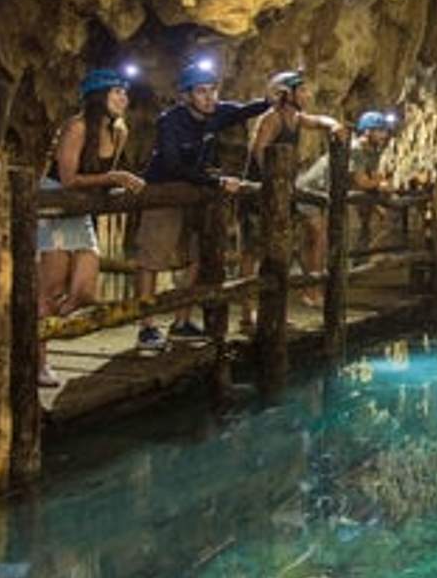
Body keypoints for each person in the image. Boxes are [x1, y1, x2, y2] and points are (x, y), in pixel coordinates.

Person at [133, 59, 268, 348]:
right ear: (186, 96)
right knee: (152, 258)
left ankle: (181, 322)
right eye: (201, 91)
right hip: (164, 192)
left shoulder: (216, 113)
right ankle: (146, 326)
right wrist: (216, 181)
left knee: (196, 256)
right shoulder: (170, 122)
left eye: (212, 90)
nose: (210, 98)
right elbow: (172, 164)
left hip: (194, 194)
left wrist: (270, 100)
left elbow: (244, 110)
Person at [37, 67, 145, 385]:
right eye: (116, 92)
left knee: (84, 291)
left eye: (125, 93)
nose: (124, 98)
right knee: (51, 290)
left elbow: (99, 178)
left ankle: (31, 329)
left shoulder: (119, 132)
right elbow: (68, 178)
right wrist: (113, 177)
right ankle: (38, 360)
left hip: (81, 208)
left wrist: (114, 183)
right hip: (56, 204)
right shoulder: (77, 127)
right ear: (98, 96)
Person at [245, 69, 347, 307]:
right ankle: (249, 310)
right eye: (301, 90)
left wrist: (334, 124)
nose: (307, 95)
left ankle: (289, 299)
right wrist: (274, 183)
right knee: (253, 248)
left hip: (282, 190)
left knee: (286, 242)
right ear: (285, 94)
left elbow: (317, 121)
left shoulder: (295, 118)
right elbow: (259, 152)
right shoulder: (272, 119)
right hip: (262, 190)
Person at [297, 109, 398, 252]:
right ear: (367, 131)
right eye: (380, 131)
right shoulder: (356, 149)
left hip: (329, 192)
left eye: (386, 131)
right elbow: (361, 182)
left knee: (324, 238)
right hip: (311, 190)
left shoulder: (372, 152)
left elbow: (371, 178)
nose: (385, 135)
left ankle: (326, 265)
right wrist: (380, 183)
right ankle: (318, 267)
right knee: (317, 237)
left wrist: (378, 187)